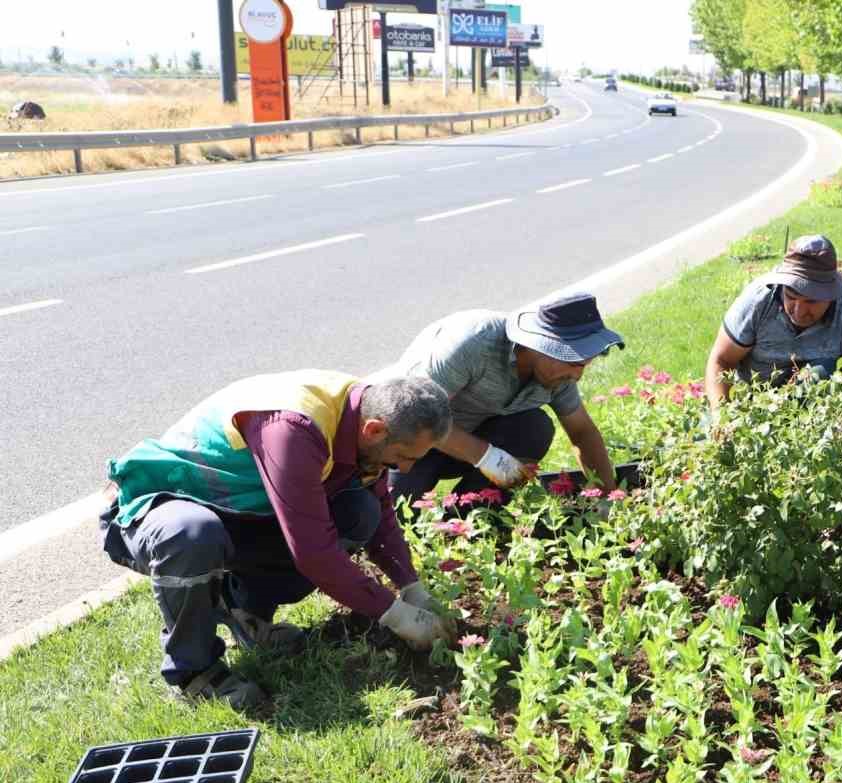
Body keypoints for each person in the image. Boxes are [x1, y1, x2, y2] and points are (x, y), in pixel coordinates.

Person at [101, 371, 458, 710]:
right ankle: (195, 673)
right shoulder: (296, 427)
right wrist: (393, 613)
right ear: (375, 430)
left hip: (237, 509)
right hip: (160, 504)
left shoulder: (366, 411)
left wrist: (411, 585)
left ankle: (247, 612)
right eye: (403, 457)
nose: (407, 470)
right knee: (192, 535)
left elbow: (379, 506)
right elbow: (314, 552)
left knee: (359, 510)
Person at [379, 292, 624, 500]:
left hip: (466, 444)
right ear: (539, 345)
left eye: (583, 365)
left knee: (534, 427)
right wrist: (490, 459)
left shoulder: (559, 374)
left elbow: (582, 432)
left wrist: (608, 497)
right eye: (573, 362)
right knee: (391, 514)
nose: (577, 376)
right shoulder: (472, 344)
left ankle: (467, 521)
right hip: (411, 439)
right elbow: (416, 419)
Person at [704, 234, 842, 415]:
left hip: (817, 407)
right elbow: (721, 361)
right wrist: (721, 416)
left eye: (811, 301)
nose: (799, 311)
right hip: (752, 400)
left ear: (831, 295)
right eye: (791, 297)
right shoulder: (757, 301)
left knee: (820, 371)